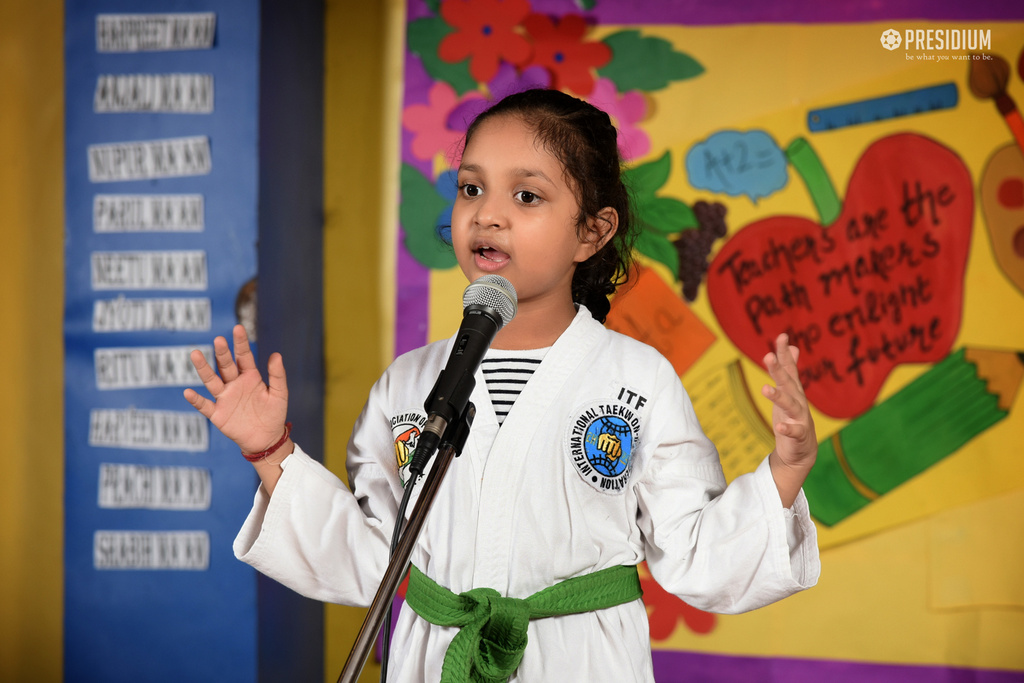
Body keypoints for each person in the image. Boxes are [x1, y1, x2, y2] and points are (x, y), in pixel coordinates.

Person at [184, 88, 820, 682]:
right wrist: (271, 453)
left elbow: (695, 554)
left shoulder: (637, 379)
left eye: (527, 197)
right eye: (471, 188)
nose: (487, 214)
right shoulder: (409, 383)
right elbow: (371, 560)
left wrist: (785, 470)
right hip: (436, 653)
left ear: (592, 232)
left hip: (581, 658)